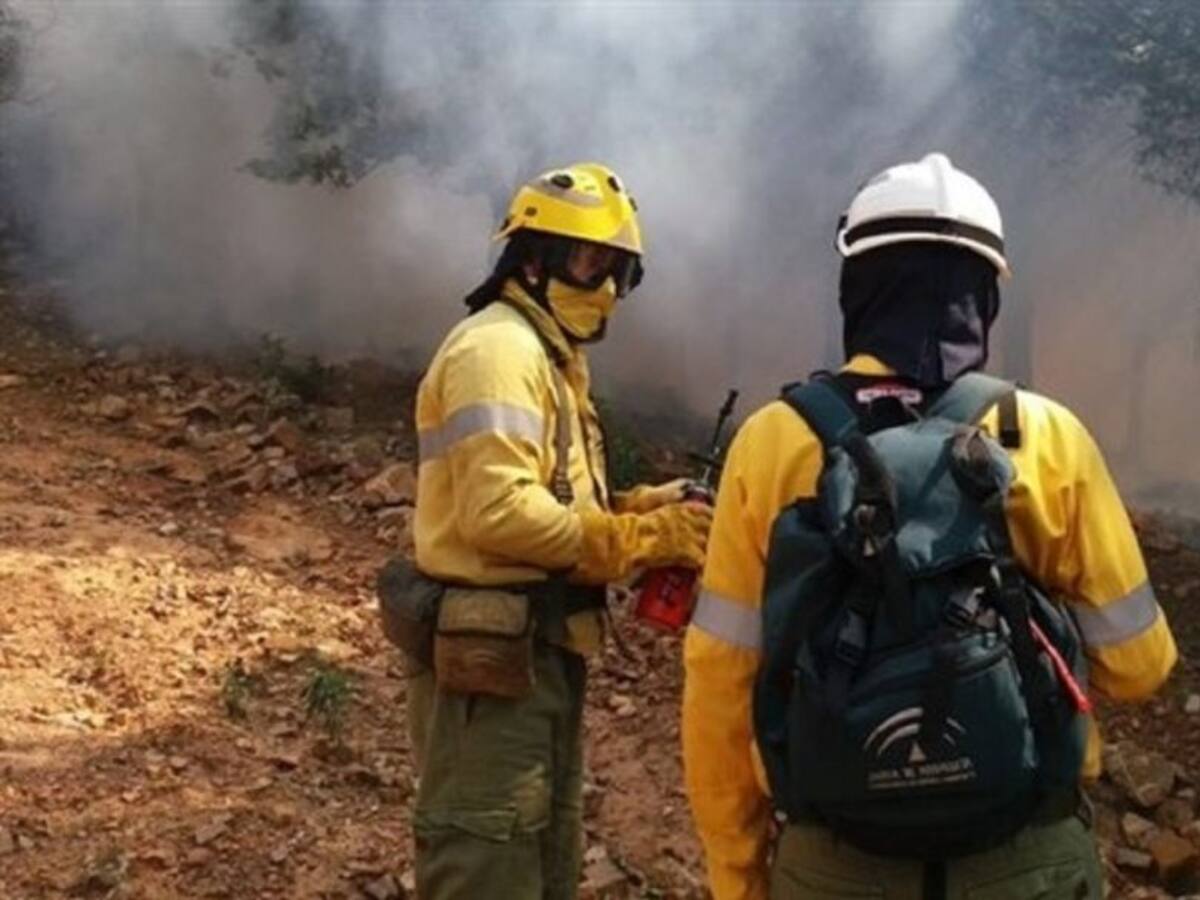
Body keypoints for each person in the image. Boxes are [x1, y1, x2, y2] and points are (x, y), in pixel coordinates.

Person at [681, 152, 1178, 900]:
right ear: (985, 291)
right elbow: (1141, 667)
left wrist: (739, 876)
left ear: (857, 284)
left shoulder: (773, 441)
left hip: (833, 866)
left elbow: (722, 685)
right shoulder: (1044, 434)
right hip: (1024, 861)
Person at [409, 161, 713, 899]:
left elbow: (558, 494)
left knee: (542, 863)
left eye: (617, 270)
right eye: (588, 261)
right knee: (487, 862)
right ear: (531, 258)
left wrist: (645, 505)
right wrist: (640, 542)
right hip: (494, 665)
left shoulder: (546, 356)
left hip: (538, 654)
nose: (604, 287)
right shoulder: (498, 351)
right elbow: (501, 514)